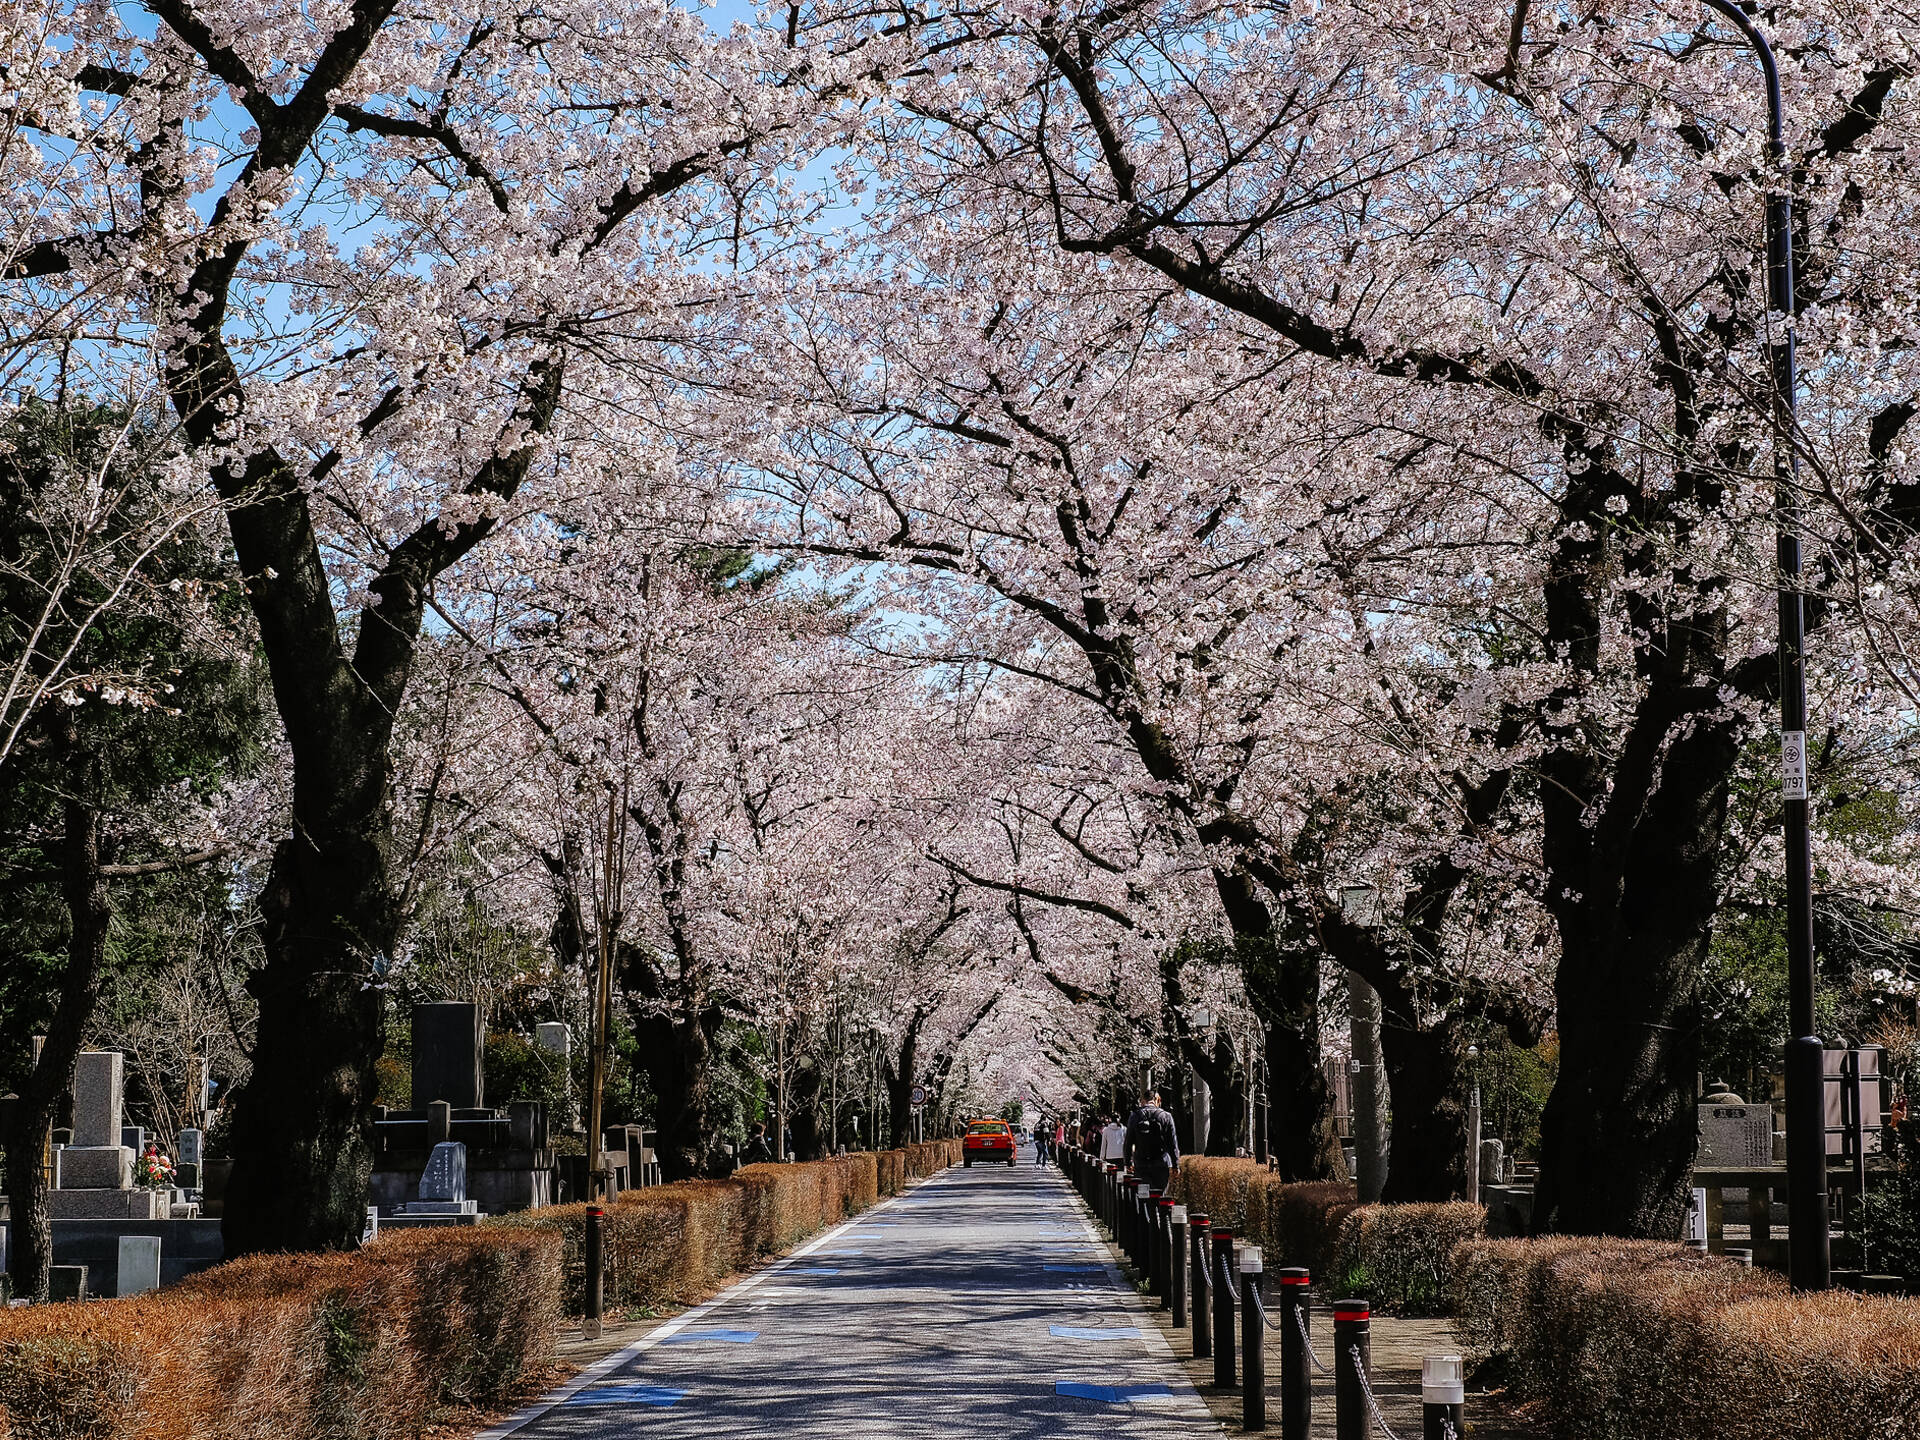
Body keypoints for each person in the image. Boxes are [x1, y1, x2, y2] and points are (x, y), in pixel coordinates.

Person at [1125, 1091, 1181, 1193]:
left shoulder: (1135, 1116)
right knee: (1160, 1195)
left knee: (1143, 1196)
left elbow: (1128, 1141)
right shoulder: (1166, 1116)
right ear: (1157, 1100)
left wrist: (1127, 1163)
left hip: (1141, 1163)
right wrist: (1175, 1165)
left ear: (1143, 1101)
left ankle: (1146, 1208)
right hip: (1161, 1163)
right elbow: (1173, 1143)